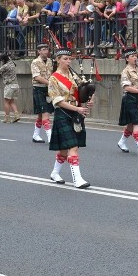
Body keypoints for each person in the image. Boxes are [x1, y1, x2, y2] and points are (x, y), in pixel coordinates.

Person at [48, 48, 93, 188]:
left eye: (70, 59)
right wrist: (77, 108)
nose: (68, 61)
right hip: (63, 113)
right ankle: (77, 179)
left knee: (63, 149)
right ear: (57, 60)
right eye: (65, 59)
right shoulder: (54, 78)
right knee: (73, 146)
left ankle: (55, 173)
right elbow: (57, 101)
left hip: (76, 113)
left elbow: (86, 90)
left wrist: (90, 99)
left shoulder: (74, 76)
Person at [30, 43, 54, 142]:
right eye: (43, 49)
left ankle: (36, 135)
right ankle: (50, 137)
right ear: (39, 51)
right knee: (45, 113)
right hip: (39, 88)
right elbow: (37, 77)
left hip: (48, 89)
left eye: (47, 49)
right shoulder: (35, 62)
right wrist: (50, 84)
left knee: (41, 114)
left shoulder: (50, 61)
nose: (46, 51)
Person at [0, 52, 20, 122]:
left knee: (6, 102)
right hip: (16, 85)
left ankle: (7, 118)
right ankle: (16, 115)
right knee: (12, 102)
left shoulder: (6, 66)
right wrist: (0, 57)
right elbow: (6, 57)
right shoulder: (11, 62)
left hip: (9, 85)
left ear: (3, 60)